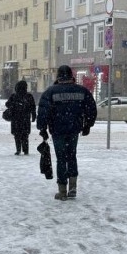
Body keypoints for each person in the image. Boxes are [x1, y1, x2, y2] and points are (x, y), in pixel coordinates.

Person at [37, 65, 97, 200]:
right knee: (72, 156)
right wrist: (87, 125)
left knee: (61, 159)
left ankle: (62, 190)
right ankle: (73, 187)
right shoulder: (82, 91)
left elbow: (43, 112)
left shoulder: (50, 92)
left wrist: (42, 129)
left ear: (58, 76)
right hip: (74, 129)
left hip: (57, 131)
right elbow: (91, 109)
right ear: (71, 76)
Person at [6, 80, 36, 155]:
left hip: (16, 119)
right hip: (26, 119)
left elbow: (7, 104)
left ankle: (18, 150)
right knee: (25, 135)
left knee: (17, 135)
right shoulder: (29, 96)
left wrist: (14, 105)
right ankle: (26, 150)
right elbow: (33, 107)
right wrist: (33, 115)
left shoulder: (14, 96)